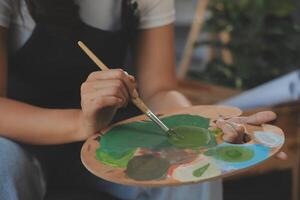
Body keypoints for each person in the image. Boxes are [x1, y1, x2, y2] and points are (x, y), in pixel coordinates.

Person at [0, 0, 223, 199]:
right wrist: (82, 124)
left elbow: (159, 91)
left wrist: (196, 122)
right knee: (5, 163)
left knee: (196, 162)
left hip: (110, 134)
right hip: (22, 136)